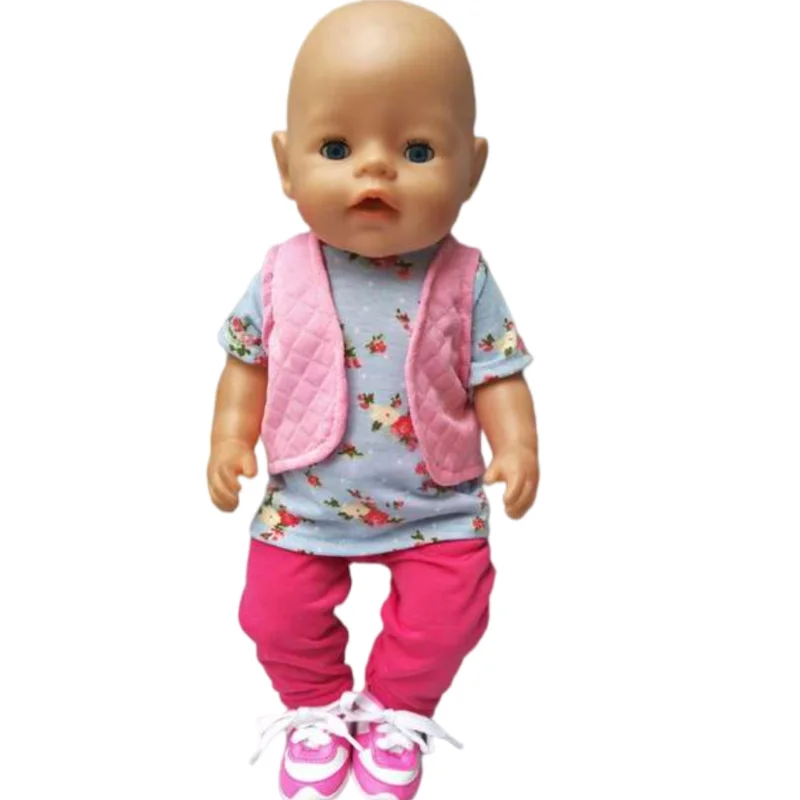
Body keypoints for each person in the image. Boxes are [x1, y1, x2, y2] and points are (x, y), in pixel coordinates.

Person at [208, 2, 540, 798]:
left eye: (417, 150)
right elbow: (246, 362)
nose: (375, 171)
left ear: (472, 169)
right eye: (337, 148)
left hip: (438, 505)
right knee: (273, 614)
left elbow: (497, 373)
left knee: (452, 615)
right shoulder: (280, 271)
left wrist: (518, 447)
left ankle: (397, 707)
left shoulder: (466, 276)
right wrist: (228, 441)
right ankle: (315, 704)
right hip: (305, 501)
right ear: (286, 164)